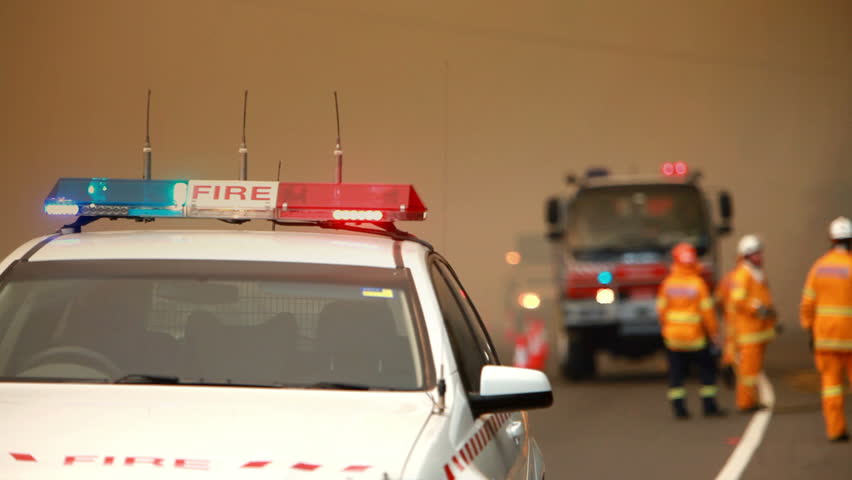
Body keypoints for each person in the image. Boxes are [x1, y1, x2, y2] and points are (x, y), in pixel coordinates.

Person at [657, 242, 725, 419]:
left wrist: (666, 329)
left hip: (673, 338)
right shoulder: (698, 284)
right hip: (695, 337)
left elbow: (661, 310)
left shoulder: (668, 284)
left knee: (676, 374)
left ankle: (679, 409)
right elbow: (708, 313)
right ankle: (709, 406)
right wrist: (714, 334)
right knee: (706, 370)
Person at [800, 216, 852, 443]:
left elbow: (807, 302)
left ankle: (836, 430)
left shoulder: (819, 267)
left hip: (825, 337)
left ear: (831, 239)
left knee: (831, 385)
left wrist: (808, 327)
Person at [729, 234, 777, 413]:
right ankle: (745, 402)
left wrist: (770, 318)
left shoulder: (756, 273)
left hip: (759, 330)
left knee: (754, 370)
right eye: (756, 254)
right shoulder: (743, 274)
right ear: (747, 255)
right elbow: (738, 300)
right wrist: (757, 308)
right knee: (748, 371)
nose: (760, 257)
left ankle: (751, 399)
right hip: (749, 332)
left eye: (760, 253)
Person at [715, 256, 742, 389]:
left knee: (730, 344)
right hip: (743, 319)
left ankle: (727, 364)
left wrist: (723, 313)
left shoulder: (728, 278)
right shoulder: (748, 277)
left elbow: (718, 299)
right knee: (742, 346)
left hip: (729, 317)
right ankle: (734, 368)